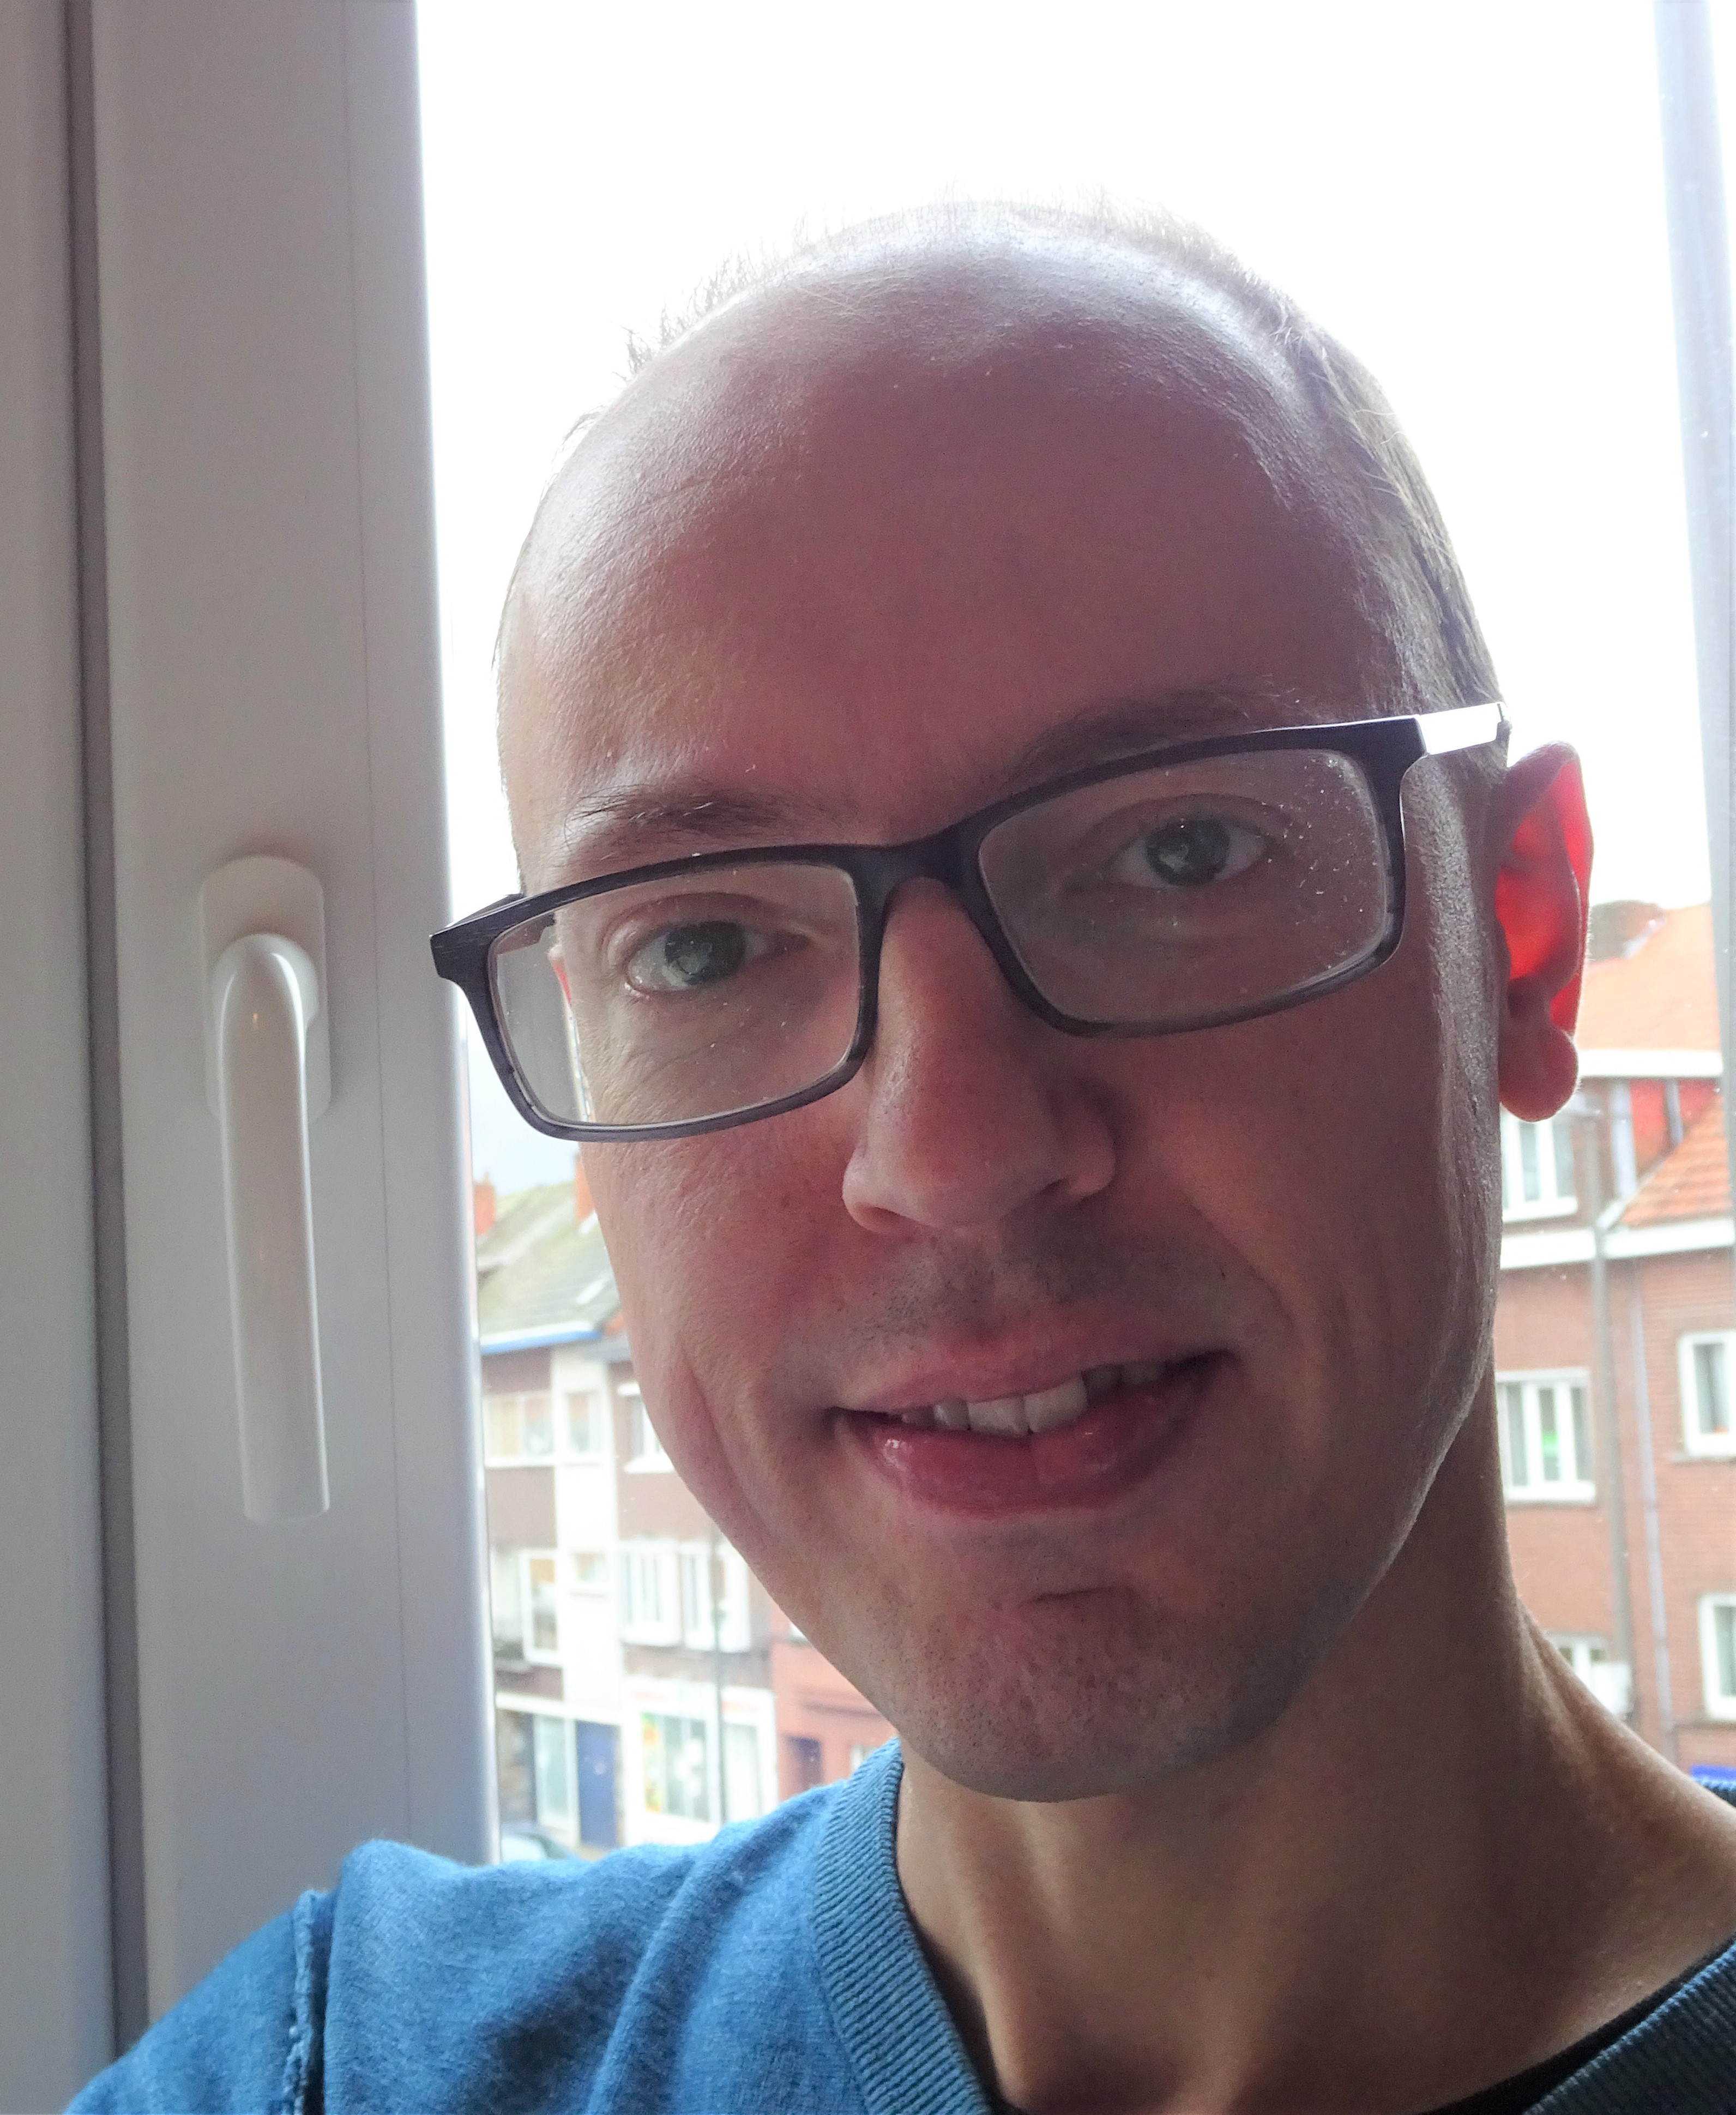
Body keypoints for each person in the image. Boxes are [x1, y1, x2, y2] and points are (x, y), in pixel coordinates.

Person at [75, 204, 1736, 2115]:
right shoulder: (347, 2072)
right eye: (705, 945)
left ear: (1523, 940)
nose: (953, 1154)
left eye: (1179, 853)